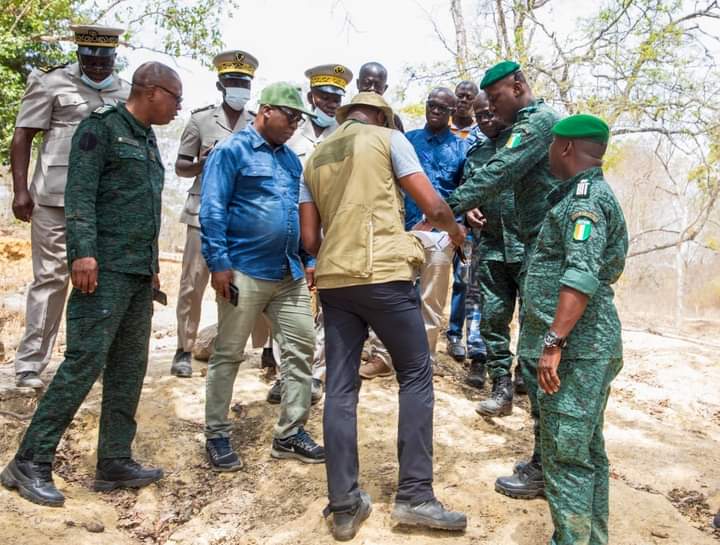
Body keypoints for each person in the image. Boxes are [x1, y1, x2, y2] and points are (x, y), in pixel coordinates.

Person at [0, 62, 182, 507]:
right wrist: (82, 253)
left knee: (128, 368)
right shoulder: (100, 128)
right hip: (100, 269)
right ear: (153, 91)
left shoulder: (145, 137)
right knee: (83, 363)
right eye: (176, 98)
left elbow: (144, 208)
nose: (179, 108)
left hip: (136, 272)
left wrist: (153, 265)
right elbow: (79, 193)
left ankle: (114, 460)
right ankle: (30, 460)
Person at [301, 92, 467, 540]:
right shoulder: (388, 138)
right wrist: (455, 232)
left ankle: (343, 505)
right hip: (386, 278)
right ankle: (415, 496)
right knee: (415, 373)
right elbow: (432, 206)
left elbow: (310, 238)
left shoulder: (315, 156)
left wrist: (341, 249)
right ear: (379, 115)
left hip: (336, 281)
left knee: (339, 387)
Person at [446, 60, 561, 500]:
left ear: (518, 86)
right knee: (522, 345)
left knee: (538, 359)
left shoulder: (539, 123)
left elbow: (500, 173)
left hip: (540, 257)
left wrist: (443, 208)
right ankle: (547, 458)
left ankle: (548, 465)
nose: (489, 109)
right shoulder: (525, 125)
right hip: (509, 248)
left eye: (494, 100)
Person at [200, 82, 324, 472]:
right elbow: (213, 208)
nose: (294, 124)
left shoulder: (290, 159)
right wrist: (219, 263)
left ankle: (289, 433)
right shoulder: (231, 151)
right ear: (266, 111)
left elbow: (299, 210)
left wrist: (307, 258)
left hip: (287, 273)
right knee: (229, 354)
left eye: (299, 119)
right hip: (243, 271)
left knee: (302, 348)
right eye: (290, 116)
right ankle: (217, 435)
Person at [522, 114, 627, 545]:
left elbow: (579, 276)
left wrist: (552, 342)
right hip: (589, 348)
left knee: (566, 457)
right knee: (587, 452)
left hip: (577, 351)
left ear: (564, 148)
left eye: (550, 144)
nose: (547, 151)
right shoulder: (582, 196)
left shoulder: (583, 201)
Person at [10, 25, 130, 389]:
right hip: (54, 199)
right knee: (50, 280)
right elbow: (23, 134)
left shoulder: (124, 91)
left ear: (114, 58)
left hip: (103, 204)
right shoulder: (50, 83)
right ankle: (30, 364)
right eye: (90, 60)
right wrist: (20, 190)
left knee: (99, 283)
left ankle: (85, 362)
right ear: (80, 55)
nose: (97, 68)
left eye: (104, 61)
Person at [359, 87, 467, 379]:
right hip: (404, 230)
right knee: (394, 294)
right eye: (432, 105)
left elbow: (465, 191)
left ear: (452, 112)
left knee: (431, 301)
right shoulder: (407, 140)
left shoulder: (460, 147)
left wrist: (444, 223)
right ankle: (382, 357)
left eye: (443, 108)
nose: (436, 110)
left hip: (441, 235)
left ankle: (424, 360)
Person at [171, 50, 262, 378]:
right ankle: (184, 348)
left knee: (235, 285)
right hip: (201, 213)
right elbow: (181, 166)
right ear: (221, 84)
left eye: (244, 82)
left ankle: (228, 347)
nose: (239, 87)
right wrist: (202, 163)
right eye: (233, 81)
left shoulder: (256, 123)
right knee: (193, 283)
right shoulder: (200, 120)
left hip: (242, 216)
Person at [267, 63, 353, 404]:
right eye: (324, 96)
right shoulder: (290, 134)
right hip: (290, 231)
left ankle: (316, 375)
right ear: (310, 96)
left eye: (336, 98)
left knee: (327, 306)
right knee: (287, 304)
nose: (330, 104)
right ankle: (285, 375)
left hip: (331, 232)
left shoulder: (346, 136)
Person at [464, 91, 527, 410]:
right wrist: (468, 211)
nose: (487, 120)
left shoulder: (525, 146)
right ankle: (500, 384)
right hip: (490, 248)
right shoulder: (476, 154)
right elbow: (468, 192)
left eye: (491, 112)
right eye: (480, 116)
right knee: (493, 318)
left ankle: (525, 377)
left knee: (531, 318)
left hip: (528, 248)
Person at [445, 80, 481, 363]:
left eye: (469, 96)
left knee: (464, 279)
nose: (464, 100)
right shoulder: (442, 130)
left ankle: (457, 335)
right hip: (440, 214)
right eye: (460, 95)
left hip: (469, 219)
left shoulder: (481, 131)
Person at [356, 61, 405, 132]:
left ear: (385, 88)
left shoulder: (393, 121)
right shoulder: (344, 114)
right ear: (358, 83)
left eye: (378, 85)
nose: (372, 89)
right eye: (367, 83)